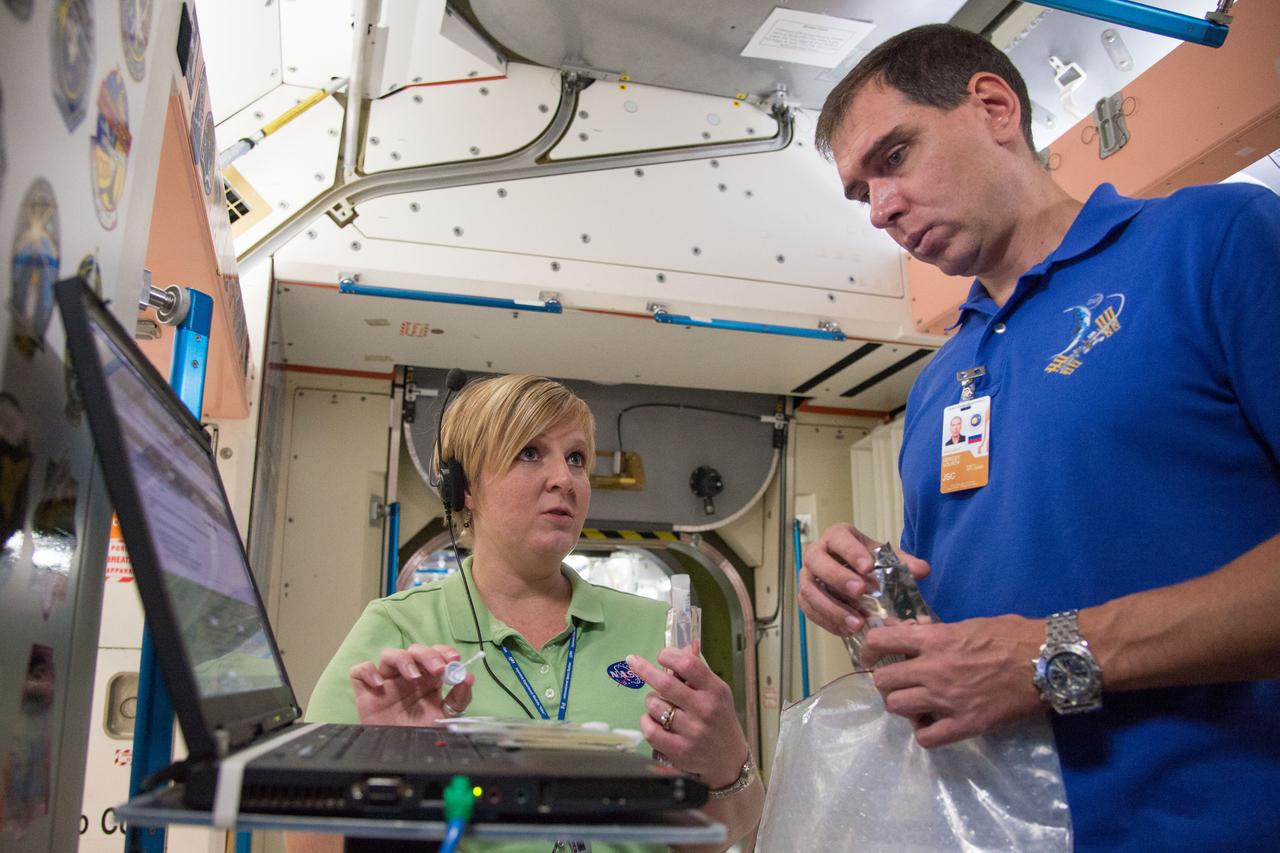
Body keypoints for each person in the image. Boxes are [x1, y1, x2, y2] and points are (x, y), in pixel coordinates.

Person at [798, 23, 1280, 852]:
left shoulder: (1212, 240)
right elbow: (960, 652)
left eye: (895, 157)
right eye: (859, 192)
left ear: (993, 106)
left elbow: (1016, 657)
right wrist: (869, 603)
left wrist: (1052, 653)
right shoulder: (937, 385)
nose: (880, 209)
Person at [288, 374, 762, 853]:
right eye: (530, 453)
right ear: (465, 487)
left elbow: (713, 839)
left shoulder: (656, 628)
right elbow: (306, 842)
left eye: (576, 458)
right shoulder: (397, 631)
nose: (565, 479)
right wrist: (390, 771)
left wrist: (727, 763)